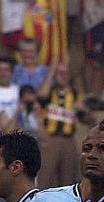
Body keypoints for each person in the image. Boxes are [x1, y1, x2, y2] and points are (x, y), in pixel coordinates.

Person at [35, 61, 81, 190]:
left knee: (68, 179)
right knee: (46, 178)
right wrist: (50, 73)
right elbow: (41, 95)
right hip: (51, 139)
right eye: (60, 73)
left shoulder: (73, 93)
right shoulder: (49, 92)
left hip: (68, 140)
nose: (63, 76)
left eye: (66, 73)